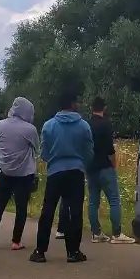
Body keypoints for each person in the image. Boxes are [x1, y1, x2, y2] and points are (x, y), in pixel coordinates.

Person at [31, 89, 93, 264]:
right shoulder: (84, 126)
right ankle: (73, 251)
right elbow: (89, 152)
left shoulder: (49, 125)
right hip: (76, 171)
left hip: (55, 172)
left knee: (48, 211)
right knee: (75, 212)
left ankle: (40, 251)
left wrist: (53, 159)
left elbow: (43, 153)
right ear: (73, 104)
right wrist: (81, 162)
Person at [0, 96, 39, 251]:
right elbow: (36, 146)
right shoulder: (30, 129)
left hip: (5, 171)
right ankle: (16, 241)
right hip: (24, 173)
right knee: (21, 208)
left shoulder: (0, 125)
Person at [86, 96, 135, 244]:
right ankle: (116, 233)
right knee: (114, 200)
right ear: (104, 108)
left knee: (93, 201)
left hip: (91, 167)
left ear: (91, 108)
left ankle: (96, 232)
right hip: (105, 166)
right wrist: (114, 164)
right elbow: (110, 149)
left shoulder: (87, 125)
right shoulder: (106, 124)